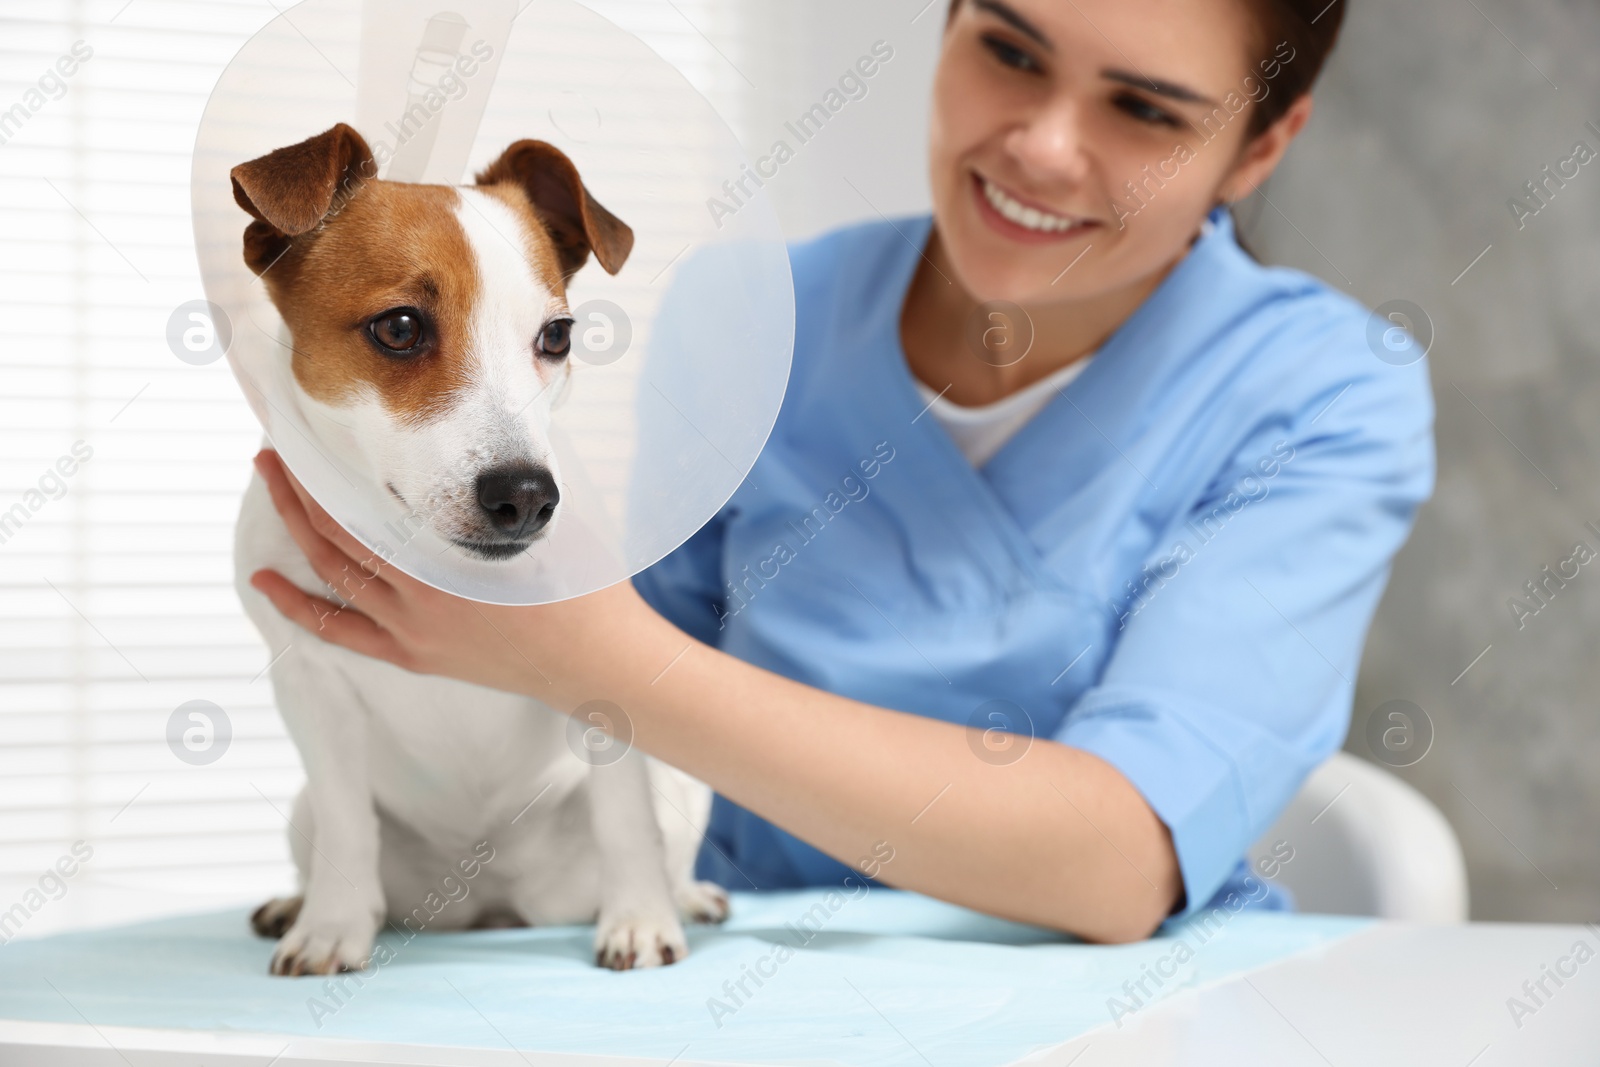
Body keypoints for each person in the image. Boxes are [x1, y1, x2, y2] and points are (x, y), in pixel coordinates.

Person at [249, 0, 1434, 944]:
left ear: (1259, 146)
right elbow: (610, 725)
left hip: (1104, 990)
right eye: (1011, 49)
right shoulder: (753, 311)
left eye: (1144, 108)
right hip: (728, 962)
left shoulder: (1327, 389)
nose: (1043, 144)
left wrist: (575, 653)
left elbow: (1123, 860)